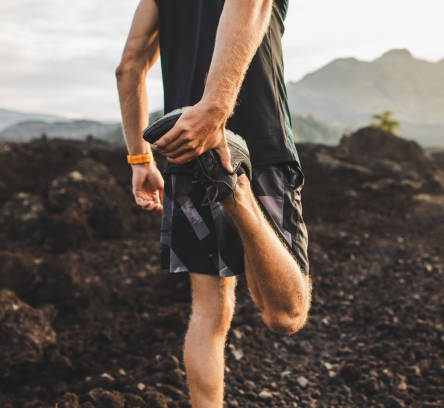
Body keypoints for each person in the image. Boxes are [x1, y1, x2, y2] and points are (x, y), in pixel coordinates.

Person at [115, 0, 311, 406]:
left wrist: (139, 159)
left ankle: (226, 183)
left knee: (208, 312)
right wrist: (215, 111)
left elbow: (130, 65)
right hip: (259, 143)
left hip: (186, 151)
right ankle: (236, 191)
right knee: (286, 315)